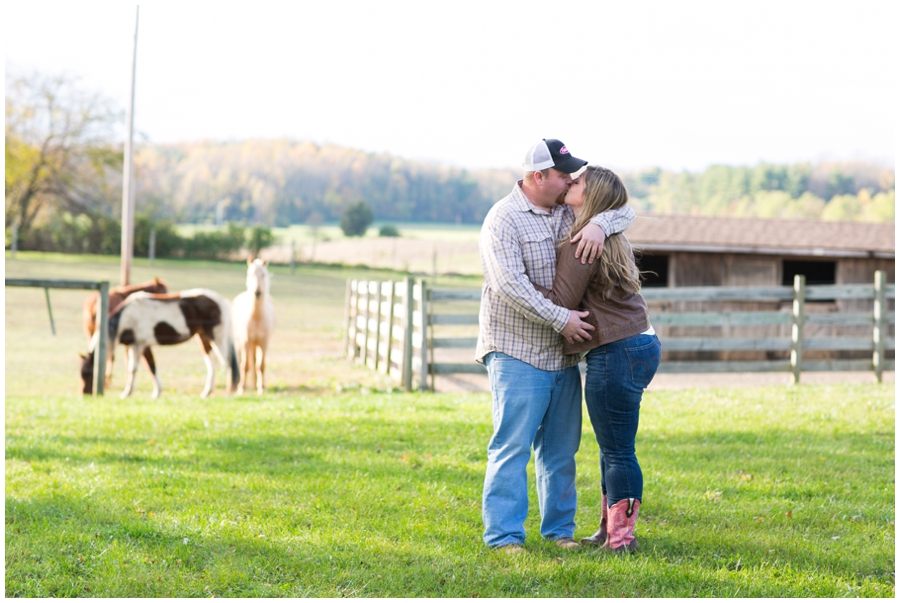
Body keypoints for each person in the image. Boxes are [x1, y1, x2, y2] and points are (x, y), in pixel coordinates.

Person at [476, 139, 635, 552]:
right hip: (516, 348)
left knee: (562, 450)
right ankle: (504, 537)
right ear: (538, 176)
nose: (571, 181)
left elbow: (623, 208)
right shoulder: (503, 218)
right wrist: (561, 318)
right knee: (512, 446)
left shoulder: (570, 210)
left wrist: (602, 224)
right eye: (564, 175)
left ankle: (559, 533)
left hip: (562, 356)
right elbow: (509, 284)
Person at [532, 165, 661, 553]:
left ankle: (622, 539)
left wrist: (515, 281)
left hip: (618, 350)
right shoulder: (609, 233)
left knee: (618, 449)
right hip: (640, 343)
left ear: (591, 198)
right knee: (613, 447)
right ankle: (609, 530)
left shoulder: (583, 246)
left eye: (579, 183)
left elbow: (558, 304)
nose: (571, 182)